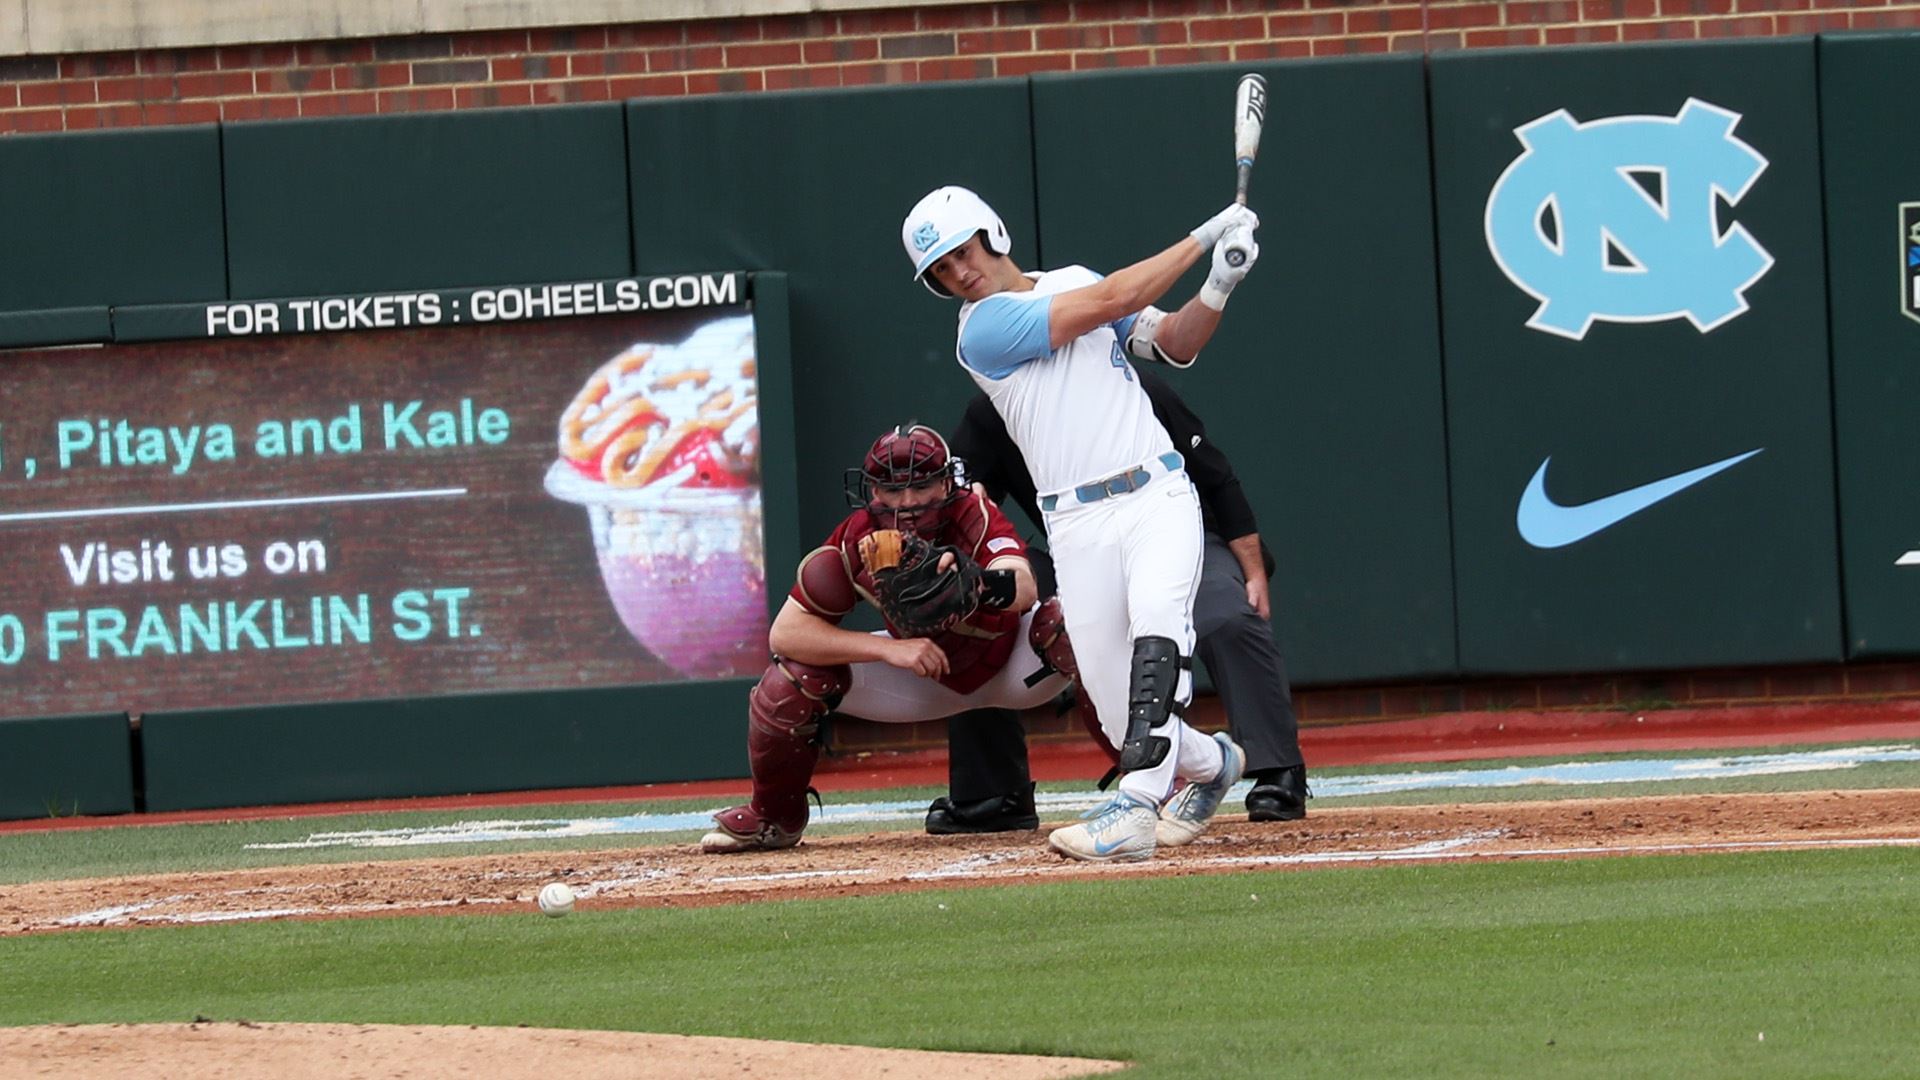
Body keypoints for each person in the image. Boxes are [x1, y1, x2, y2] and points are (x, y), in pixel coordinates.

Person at [901, 184, 1262, 862]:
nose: (959, 273)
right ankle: (1214, 764)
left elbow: (1173, 345)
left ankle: (1132, 807)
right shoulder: (981, 328)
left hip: (1155, 495)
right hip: (1074, 522)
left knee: (1160, 629)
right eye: (942, 271)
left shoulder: (1073, 281)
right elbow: (1113, 301)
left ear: (991, 231)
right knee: (1122, 709)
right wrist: (1204, 235)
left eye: (962, 252)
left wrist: (1218, 284)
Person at [932, 370, 1309, 834]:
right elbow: (960, 494)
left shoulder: (1132, 385)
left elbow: (1214, 473)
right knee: (982, 599)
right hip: (1079, 545)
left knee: (1228, 616)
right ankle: (992, 793)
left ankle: (1276, 769)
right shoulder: (996, 408)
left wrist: (1251, 567)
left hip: (1174, 527)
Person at [701, 423, 1087, 853]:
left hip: (1009, 666)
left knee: (1070, 625)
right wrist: (888, 648)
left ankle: (1149, 789)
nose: (906, 503)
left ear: (945, 483)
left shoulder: (973, 514)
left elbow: (1024, 588)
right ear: (872, 493)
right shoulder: (857, 536)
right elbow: (786, 633)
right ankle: (774, 817)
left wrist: (973, 582)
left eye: (920, 486)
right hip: (921, 675)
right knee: (788, 681)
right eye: (891, 489)